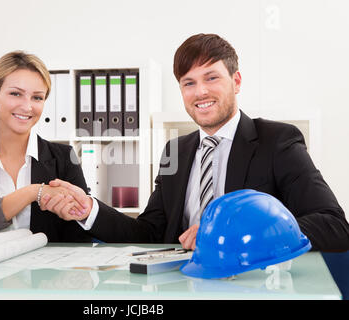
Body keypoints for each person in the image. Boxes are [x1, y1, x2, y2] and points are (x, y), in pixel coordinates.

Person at [41, 34, 349, 252]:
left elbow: (333, 226)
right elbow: (149, 233)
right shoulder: (176, 150)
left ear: (236, 81)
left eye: (211, 78)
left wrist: (235, 231)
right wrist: (89, 209)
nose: (200, 92)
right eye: (189, 83)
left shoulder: (276, 141)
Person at [0, 50, 91, 242]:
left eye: (37, 97)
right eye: (16, 94)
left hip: (45, 271)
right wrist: (32, 192)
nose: (27, 106)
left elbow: (81, 239)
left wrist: (73, 214)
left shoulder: (63, 158)